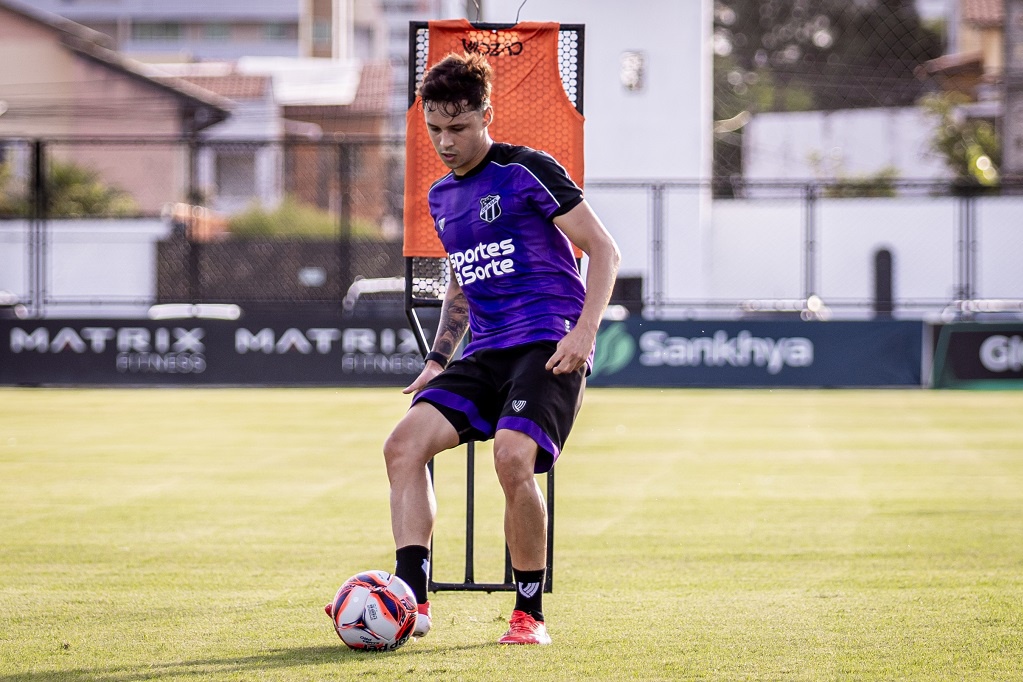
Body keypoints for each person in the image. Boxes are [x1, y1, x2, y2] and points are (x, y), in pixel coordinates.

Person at [387, 51, 620, 646]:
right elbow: (462, 279)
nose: (445, 141)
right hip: (485, 351)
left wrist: (585, 332)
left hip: (548, 343)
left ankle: (528, 614)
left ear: (486, 114)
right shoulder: (441, 196)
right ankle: (412, 596)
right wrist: (440, 359)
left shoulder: (527, 170)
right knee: (402, 447)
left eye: (458, 128)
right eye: (435, 129)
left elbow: (603, 249)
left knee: (513, 460)